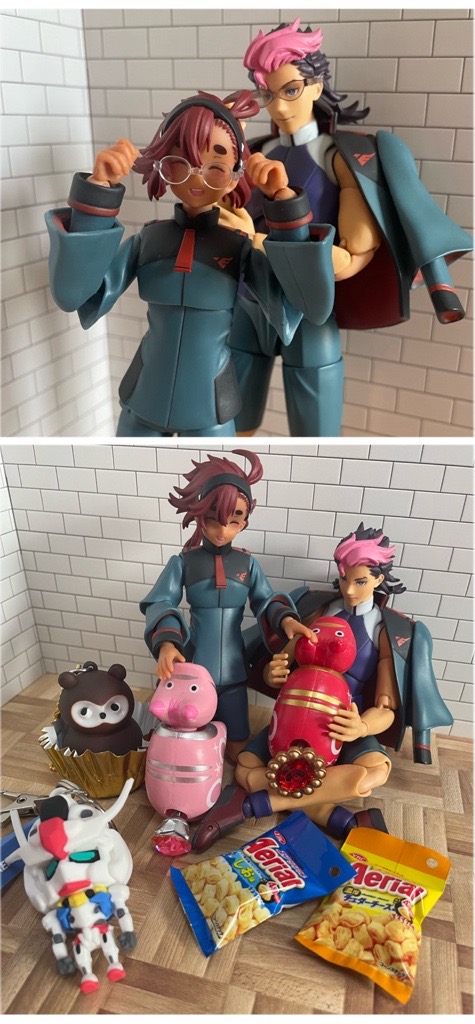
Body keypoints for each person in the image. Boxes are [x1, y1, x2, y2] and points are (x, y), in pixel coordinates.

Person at [227, 18, 473, 436]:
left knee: (315, 436)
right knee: (234, 426)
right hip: (248, 306)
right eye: (267, 94)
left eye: (290, 91)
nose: (279, 107)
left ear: (316, 86)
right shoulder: (254, 153)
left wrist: (272, 247)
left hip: (309, 310)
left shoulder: (336, 156)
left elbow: (354, 252)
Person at [45, 90, 336, 437]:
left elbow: (308, 304)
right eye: (180, 163)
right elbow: (76, 294)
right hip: (144, 400)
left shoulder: (238, 248)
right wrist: (97, 195)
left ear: (235, 174)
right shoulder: (148, 241)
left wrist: (286, 208)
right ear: (162, 164)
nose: (197, 177)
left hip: (210, 408)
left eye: (216, 167)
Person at [192, 523, 453, 850]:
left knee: (375, 771)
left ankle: (249, 806)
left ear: (379, 579)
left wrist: (361, 727)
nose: (350, 589)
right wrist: (274, 674)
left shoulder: (385, 630)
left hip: (344, 723)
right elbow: (281, 662)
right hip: (294, 717)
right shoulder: (316, 609)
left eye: (360, 581)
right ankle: (344, 821)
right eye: (344, 578)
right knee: (245, 766)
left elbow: (386, 707)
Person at [139, 450, 316, 763]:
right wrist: (167, 644)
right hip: (193, 671)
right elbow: (161, 601)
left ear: (244, 521)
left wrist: (286, 619)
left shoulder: (247, 563)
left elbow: (265, 599)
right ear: (199, 515)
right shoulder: (184, 562)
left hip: (235, 671)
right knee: (186, 743)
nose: (223, 530)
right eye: (213, 519)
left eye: (234, 520)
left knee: (236, 747)